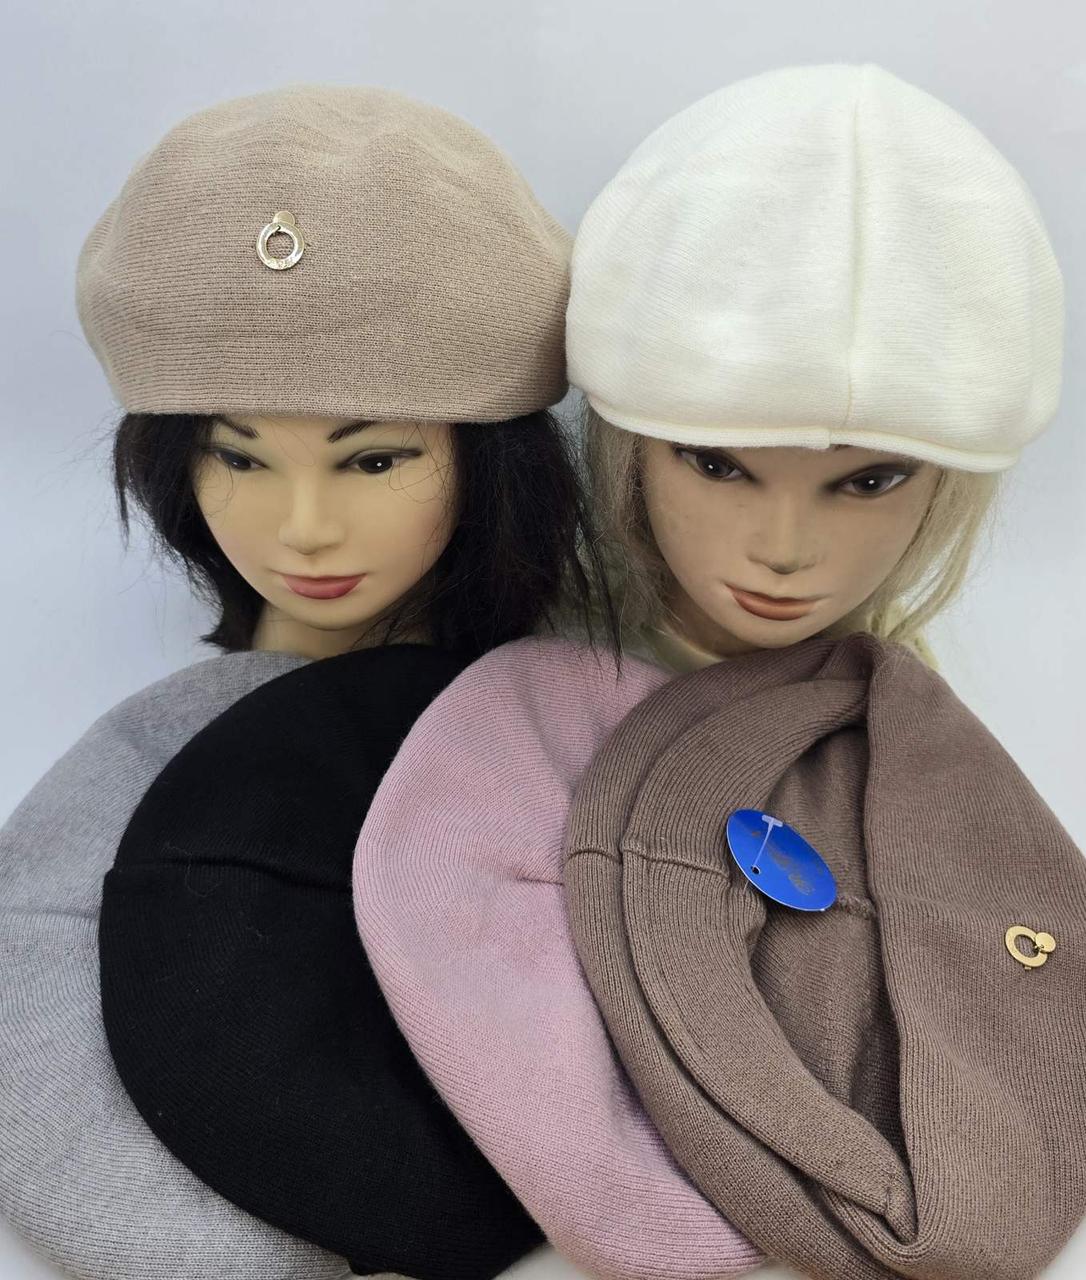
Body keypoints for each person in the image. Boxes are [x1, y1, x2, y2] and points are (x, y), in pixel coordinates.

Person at [352, 62, 1066, 1280]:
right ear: (626, 438)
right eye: (718, 462)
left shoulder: (936, 746)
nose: (784, 548)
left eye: (871, 477)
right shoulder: (518, 717)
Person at [0, 83, 609, 1280]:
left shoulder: (571, 724)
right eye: (238, 455)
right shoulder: (142, 778)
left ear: (493, 461)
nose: (303, 529)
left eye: (373, 458)